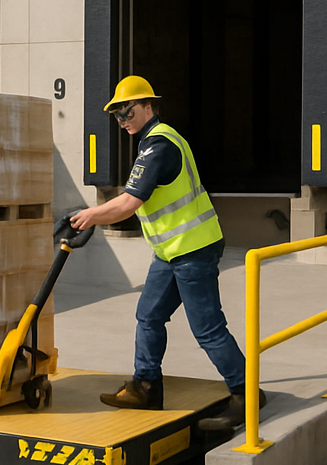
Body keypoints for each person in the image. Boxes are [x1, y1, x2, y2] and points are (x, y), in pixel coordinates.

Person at [70, 76, 265, 431]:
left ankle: (246, 394)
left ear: (148, 106)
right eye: (116, 115)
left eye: (126, 111)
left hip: (193, 249)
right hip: (171, 252)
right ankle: (146, 387)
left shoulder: (159, 146)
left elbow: (129, 204)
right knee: (148, 314)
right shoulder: (151, 142)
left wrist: (89, 216)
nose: (122, 120)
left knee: (207, 329)